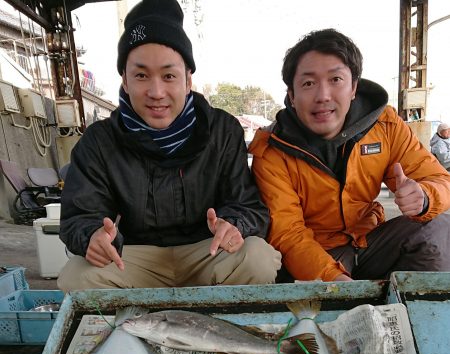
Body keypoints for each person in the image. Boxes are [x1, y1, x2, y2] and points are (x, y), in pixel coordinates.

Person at [57, 0, 280, 291]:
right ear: (124, 80)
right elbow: (80, 216)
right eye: (140, 75)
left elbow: (248, 205)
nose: (156, 92)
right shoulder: (99, 141)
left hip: (208, 253)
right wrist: (93, 236)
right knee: (76, 275)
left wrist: (234, 225)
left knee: (257, 258)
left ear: (188, 80)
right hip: (134, 260)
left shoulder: (222, 130)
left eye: (169, 75)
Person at [249, 29, 450, 282]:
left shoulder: (386, 126)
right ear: (291, 95)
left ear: (354, 87)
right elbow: (288, 234)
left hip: (370, 243)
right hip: (311, 261)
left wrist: (424, 198)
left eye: (336, 80)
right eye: (308, 83)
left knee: (439, 228)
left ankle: (412, 314)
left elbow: (439, 180)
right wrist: (336, 282)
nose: (323, 96)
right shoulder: (271, 150)